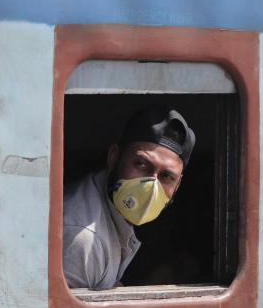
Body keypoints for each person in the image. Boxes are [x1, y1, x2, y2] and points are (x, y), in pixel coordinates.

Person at [63, 106, 195, 289]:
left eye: (166, 176)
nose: (151, 185)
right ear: (113, 157)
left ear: (178, 185)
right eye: (141, 164)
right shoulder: (84, 239)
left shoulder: (109, 211)